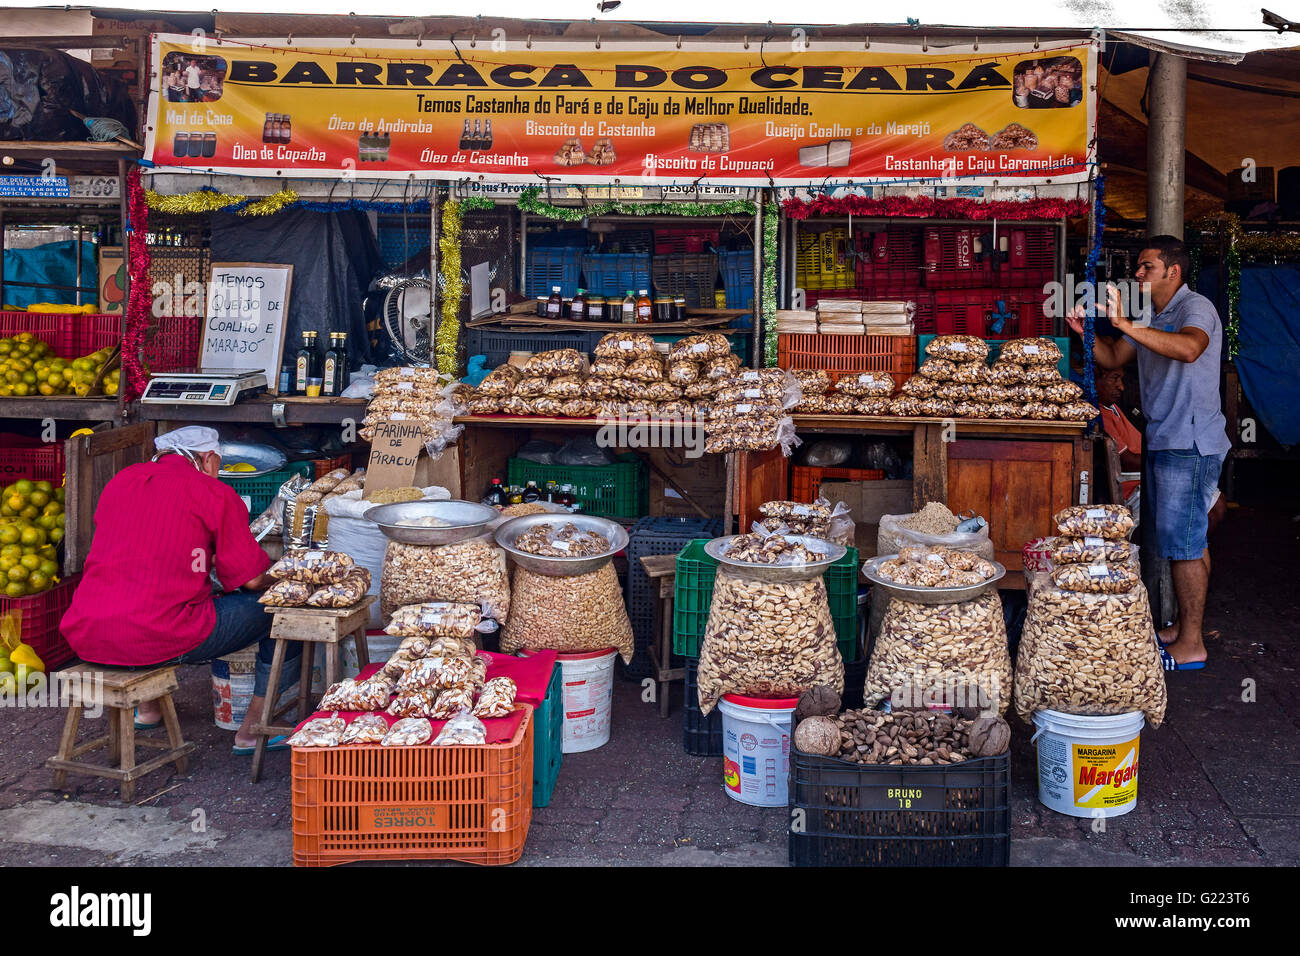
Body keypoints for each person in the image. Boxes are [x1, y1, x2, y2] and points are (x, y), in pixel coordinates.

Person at [61, 426, 299, 753]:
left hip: (87, 632)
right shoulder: (213, 492)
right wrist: (289, 574)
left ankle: (147, 709)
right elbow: (252, 580)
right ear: (209, 458)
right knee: (283, 610)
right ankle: (253, 730)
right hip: (156, 634)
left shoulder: (121, 480)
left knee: (150, 595)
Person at [1066, 236, 1231, 672]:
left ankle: (1192, 643)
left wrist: (1125, 323)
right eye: (1138, 268)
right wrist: (1087, 337)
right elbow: (1114, 356)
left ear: (1172, 271)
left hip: (1189, 443)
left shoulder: (1195, 308)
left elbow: (1190, 348)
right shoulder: (1152, 316)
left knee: (1184, 545)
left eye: (1146, 267)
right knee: (1188, 539)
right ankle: (1182, 627)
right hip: (1166, 439)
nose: (1137, 274)